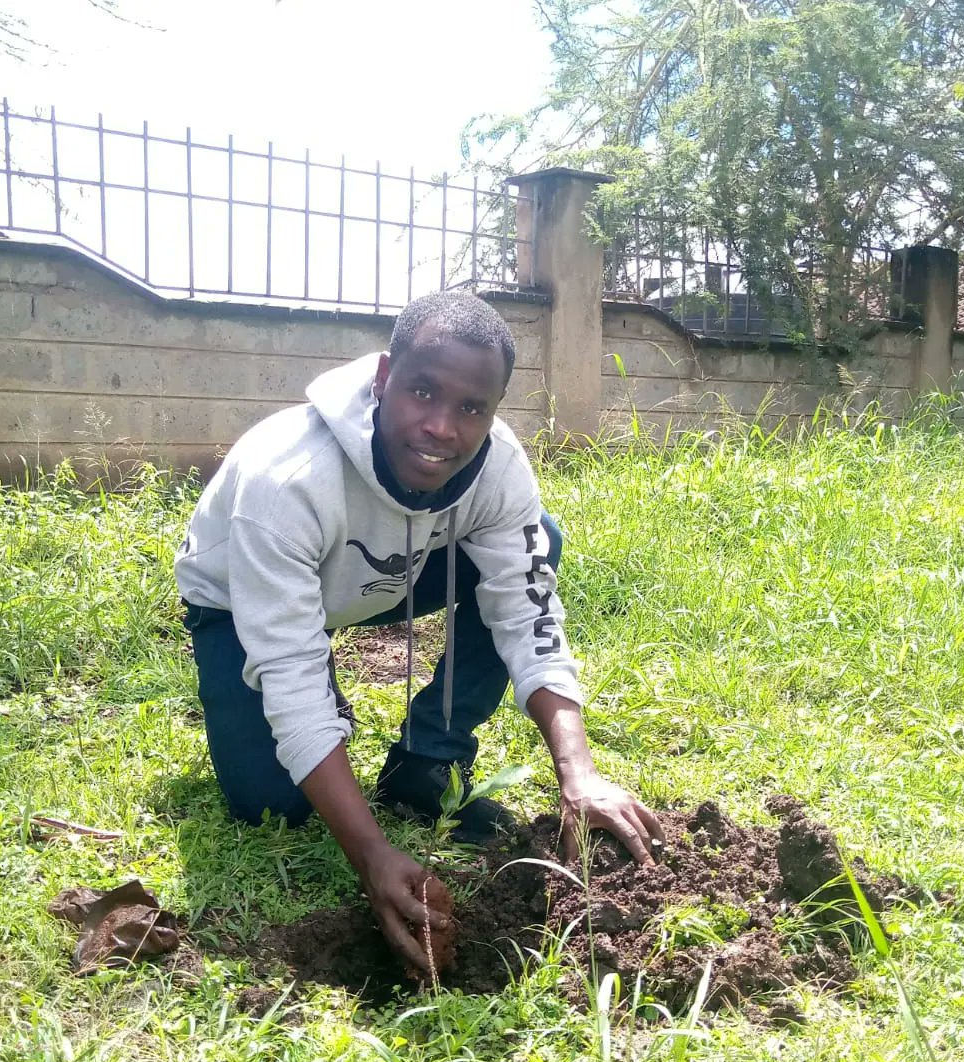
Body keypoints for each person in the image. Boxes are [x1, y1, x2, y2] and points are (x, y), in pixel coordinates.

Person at [174, 291, 662, 975]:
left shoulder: (496, 467)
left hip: (388, 571)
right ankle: (326, 718)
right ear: (382, 380)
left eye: (471, 408)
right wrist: (372, 855)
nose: (441, 427)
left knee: (537, 540)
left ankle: (427, 763)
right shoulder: (287, 479)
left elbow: (527, 612)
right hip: (237, 599)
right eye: (422, 392)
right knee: (270, 808)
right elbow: (286, 668)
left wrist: (578, 775)